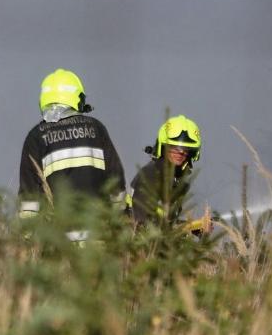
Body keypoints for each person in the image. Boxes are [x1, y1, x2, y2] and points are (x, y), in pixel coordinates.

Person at [18, 68, 125, 224]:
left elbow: (29, 197)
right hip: (98, 232)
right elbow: (115, 180)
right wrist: (120, 222)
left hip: (58, 237)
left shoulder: (35, 137)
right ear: (77, 99)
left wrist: (27, 239)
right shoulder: (96, 129)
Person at [127, 115, 209, 233]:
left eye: (185, 148)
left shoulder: (174, 180)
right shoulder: (151, 176)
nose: (180, 151)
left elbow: (166, 222)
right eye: (174, 147)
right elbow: (141, 226)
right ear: (164, 147)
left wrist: (195, 227)